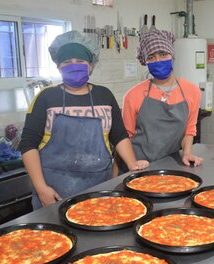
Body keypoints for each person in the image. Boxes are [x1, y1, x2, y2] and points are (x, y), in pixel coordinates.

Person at [19, 30, 148, 209]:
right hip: (53, 194)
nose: (74, 65)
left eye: (80, 61)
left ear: (91, 65)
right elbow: (27, 144)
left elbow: (119, 135)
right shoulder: (46, 97)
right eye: (67, 62)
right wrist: (41, 189)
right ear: (58, 66)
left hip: (98, 191)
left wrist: (132, 163)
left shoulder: (104, 96)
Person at [114, 29, 203, 174]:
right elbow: (124, 138)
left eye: (163, 54)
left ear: (172, 55)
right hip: (138, 168)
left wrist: (187, 153)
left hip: (171, 166)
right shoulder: (133, 95)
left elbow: (189, 130)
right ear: (145, 61)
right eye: (151, 57)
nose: (158, 61)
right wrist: (115, 176)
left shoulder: (192, 91)